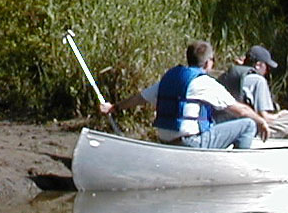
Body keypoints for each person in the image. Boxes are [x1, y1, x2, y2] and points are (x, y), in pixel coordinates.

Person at [99, 40, 268, 149]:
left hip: (166, 142)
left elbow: (139, 99)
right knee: (247, 125)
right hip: (191, 144)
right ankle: (237, 170)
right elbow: (241, 110)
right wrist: (260, 121)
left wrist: (114, 107)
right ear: (208, 62)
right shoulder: (204, 83)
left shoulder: (171, 78)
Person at [218, 45, 288, 140]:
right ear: (258, 65)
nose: (267, 71)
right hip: (253, 130)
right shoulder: (258, 80)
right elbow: (265, 117)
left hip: (224, 127)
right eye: (266, 66)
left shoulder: (227, 75)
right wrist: (280, 115)